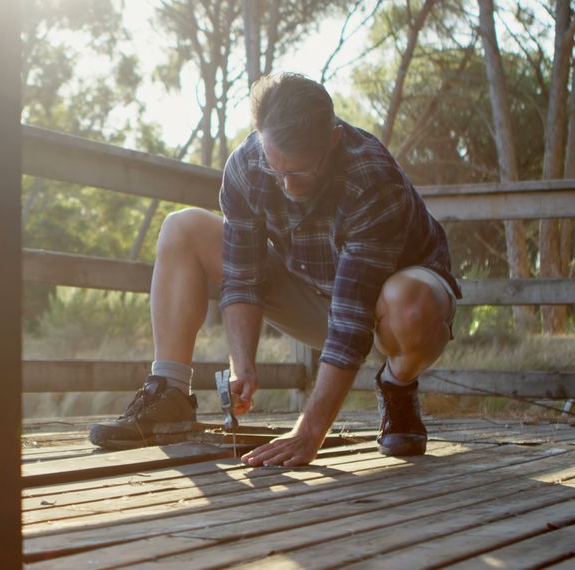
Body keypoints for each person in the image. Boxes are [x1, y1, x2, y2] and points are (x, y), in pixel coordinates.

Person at [88, 73, 461, 467]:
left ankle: (397, 386)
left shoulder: (371, 178)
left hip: (389, 308)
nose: (287, 185)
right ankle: (170, 394)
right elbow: (243, 275)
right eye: (275, 169)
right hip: (312, 293)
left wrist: (309, 432)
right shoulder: (246, 166)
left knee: (409, 304)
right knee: (183, 228)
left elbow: (352, 321)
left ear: (332, 141)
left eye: (300, 173)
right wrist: (242, 363)